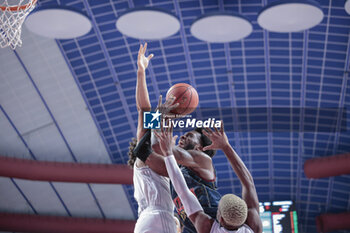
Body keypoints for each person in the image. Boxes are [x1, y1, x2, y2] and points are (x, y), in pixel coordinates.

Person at [154, 123, 263, 233]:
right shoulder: (207, 225)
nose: (183, 137)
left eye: (190, 136)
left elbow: (151, 147)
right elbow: (248, 183)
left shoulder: (207, 224)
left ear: (219, 217)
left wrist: (155, 115)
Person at [129, 43, 179, 233]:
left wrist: (141, 72)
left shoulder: (147, 161)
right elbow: (145, 110)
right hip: (158, 217)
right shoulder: (149, 156)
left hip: (145, 220)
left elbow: (143, 109)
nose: (168, 136)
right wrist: (162, 115)